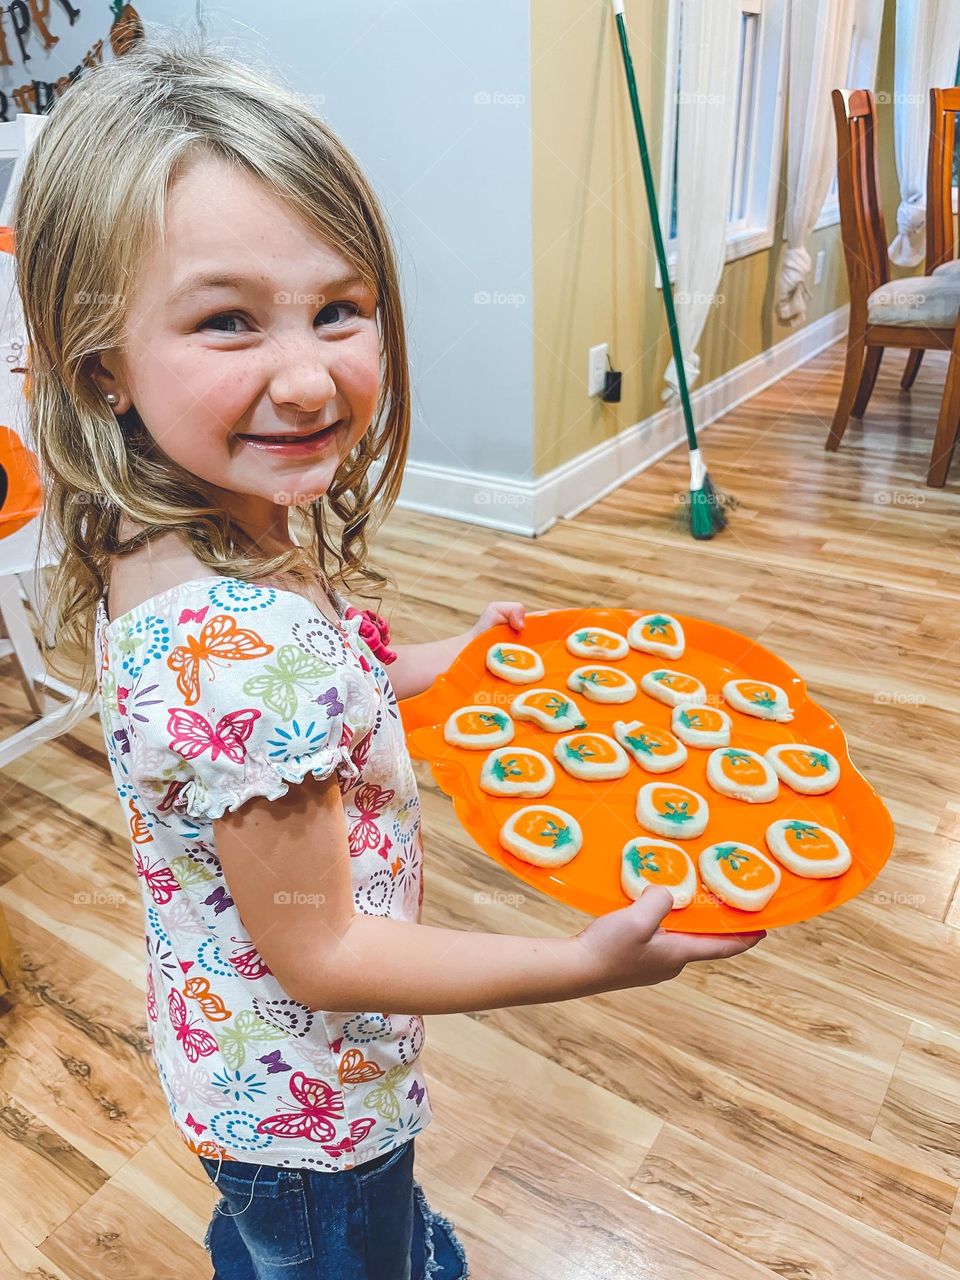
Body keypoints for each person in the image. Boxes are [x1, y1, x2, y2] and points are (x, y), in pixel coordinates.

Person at [12, 30, 764, 1280]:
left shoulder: (196, 519)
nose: (307, 377)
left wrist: (434, 662)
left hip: (243, 1061)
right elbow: (324, 950)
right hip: (314, 1099)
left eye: (340, 308)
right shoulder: (237, 648)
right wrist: (577, 963)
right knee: (331, 1248)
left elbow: (318, 697)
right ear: (103, 366)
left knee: (304, 1238)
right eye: (228, 321)